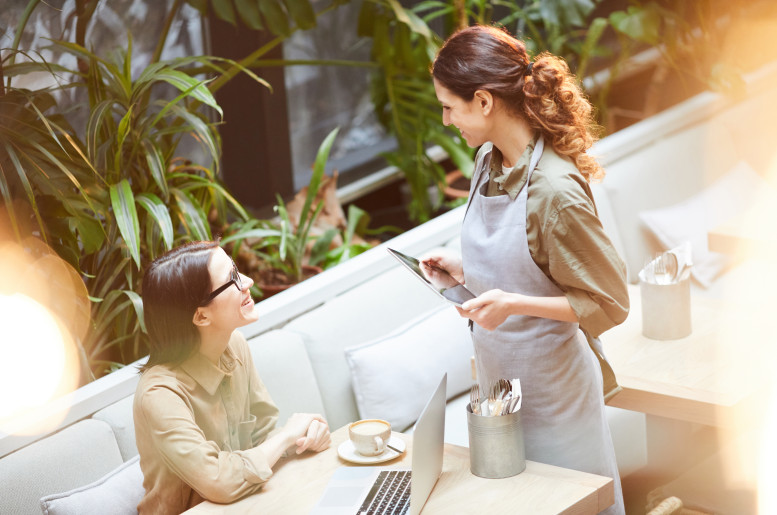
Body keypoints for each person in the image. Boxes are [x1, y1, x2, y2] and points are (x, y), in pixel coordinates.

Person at [424, 25, 629, 514]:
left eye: (450, 106)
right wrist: (465, 269)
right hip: (500, 395)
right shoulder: (486, 162)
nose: (446, 120)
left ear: (484, 101)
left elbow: (609, 302)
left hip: (556, 401)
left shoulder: (555, 191)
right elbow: (525, 264)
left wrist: (512, 304)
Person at [134, 241, 330, 513]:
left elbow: (263, 437)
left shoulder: (234, 345)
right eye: (233, 279)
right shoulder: (159, 395)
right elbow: (218, 481)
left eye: (237, 270)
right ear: (201, 316)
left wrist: (303, 440)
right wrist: (286, 437)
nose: (248, 282)